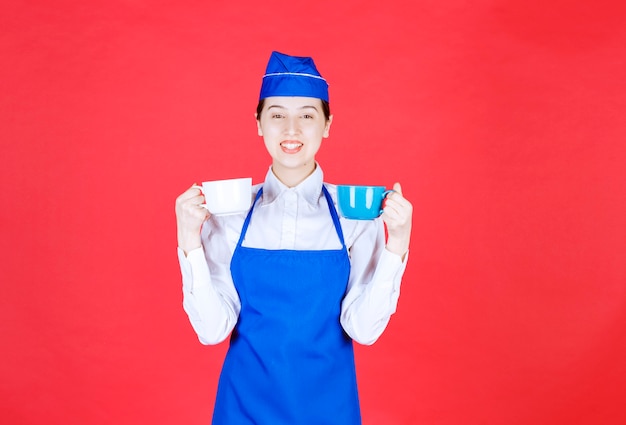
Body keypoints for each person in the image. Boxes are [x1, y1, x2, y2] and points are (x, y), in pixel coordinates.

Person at [175, 51, 413, 425]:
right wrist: (189, 241)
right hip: (243, 408)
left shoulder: (354, 216)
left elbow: (363, 330)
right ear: (258, 123)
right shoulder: (229, 216)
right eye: (276, 115)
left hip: (329, 409)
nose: (291, 130)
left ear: (327, 124)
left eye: (306, 115)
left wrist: (397, 243)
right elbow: (211, 330)